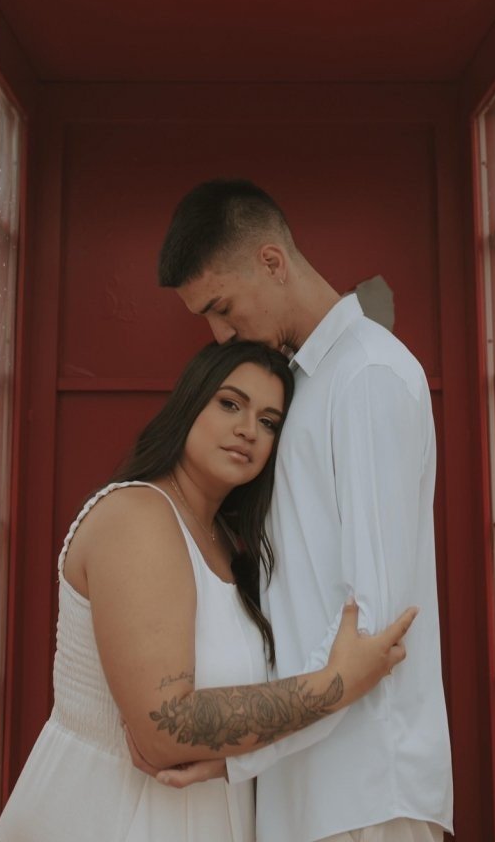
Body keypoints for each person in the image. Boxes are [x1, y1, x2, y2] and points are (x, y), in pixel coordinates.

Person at [0, 338, 417, 842]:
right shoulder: (137, 517)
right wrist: (336, 685)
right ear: (190, 404)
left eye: (269, 422)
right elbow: (165, 727)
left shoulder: (228, 543)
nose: (248, 430)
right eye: (230, 404)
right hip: (110, 815)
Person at [148, 180, 453, 842]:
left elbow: (373, 625)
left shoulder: (367, 376)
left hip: (367, 793)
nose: (220, 334)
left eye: (222, 307)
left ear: (272, 261)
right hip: (308, 785)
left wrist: (239, 753)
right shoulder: (301, 385)